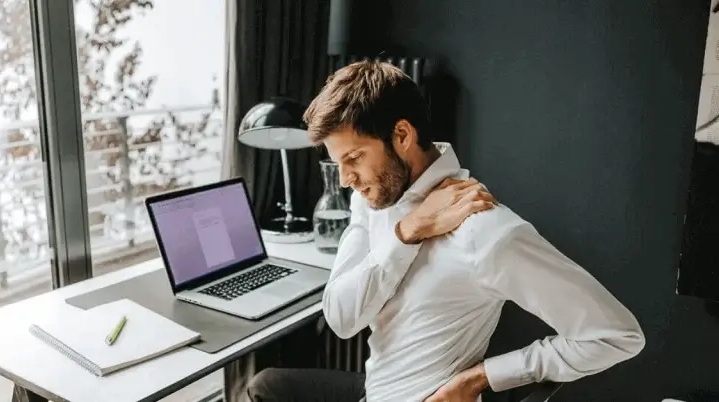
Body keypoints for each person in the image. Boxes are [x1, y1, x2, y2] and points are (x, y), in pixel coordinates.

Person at [246, 60, 645, 402]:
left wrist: (481, 378)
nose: (346, 179)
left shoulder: (486, 233)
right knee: (265, 385)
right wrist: (407, 233)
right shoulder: (374, 197)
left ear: (402, 136)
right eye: (339, 164)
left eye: (354, 158)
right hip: (377, 388)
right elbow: (342, 318)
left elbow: (616, 335)